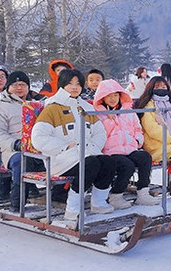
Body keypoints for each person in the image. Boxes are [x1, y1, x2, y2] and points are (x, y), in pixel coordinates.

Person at [31, 68, 116, 220]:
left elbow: (99, 133)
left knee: (108, 162)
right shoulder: (52, 108)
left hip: (86, 154)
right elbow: (38, 137)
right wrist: (65, 147)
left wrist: (93, 148)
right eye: (70, 83)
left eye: (78, 84)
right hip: (61, 159)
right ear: (62, 85)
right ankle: (73, 209)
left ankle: (98, 202)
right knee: (90, 164)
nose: (75, 87)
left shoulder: (86, 107)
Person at [93, 79, 159, 207]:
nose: (113, 99)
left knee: (145, 157)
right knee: (127, 165)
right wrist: (109, 118)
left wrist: (138, 140)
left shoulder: (128, 110)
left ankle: (143, 192)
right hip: (111, 152)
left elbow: (137, 128)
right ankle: (116, 196)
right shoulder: (98, 114)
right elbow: (100, 134)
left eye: (116, 95)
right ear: (102, 97)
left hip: (129, 149)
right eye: (109, 96)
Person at [0, 71, 46, 212]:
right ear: (8, 87)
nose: (19, 88)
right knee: (22, 162)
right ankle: (17, 204)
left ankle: (60, 197)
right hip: (14, 149)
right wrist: (15, 144)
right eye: (15, 85)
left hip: (41, 146)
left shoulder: (39, 104)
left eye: (23, 84)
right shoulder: (1, 107)